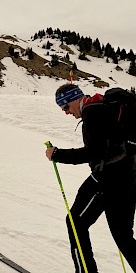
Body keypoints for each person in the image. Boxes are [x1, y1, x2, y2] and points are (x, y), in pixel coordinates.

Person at [45, 83, 136, 272]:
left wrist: (57, 155)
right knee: (123, 237)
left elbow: (94, 152)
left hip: (107, 180)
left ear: (74, 99)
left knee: (75, 223)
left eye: (65, 107)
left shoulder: (92, 112)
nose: (66, 113)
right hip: (128, 178)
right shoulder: (103, 107)